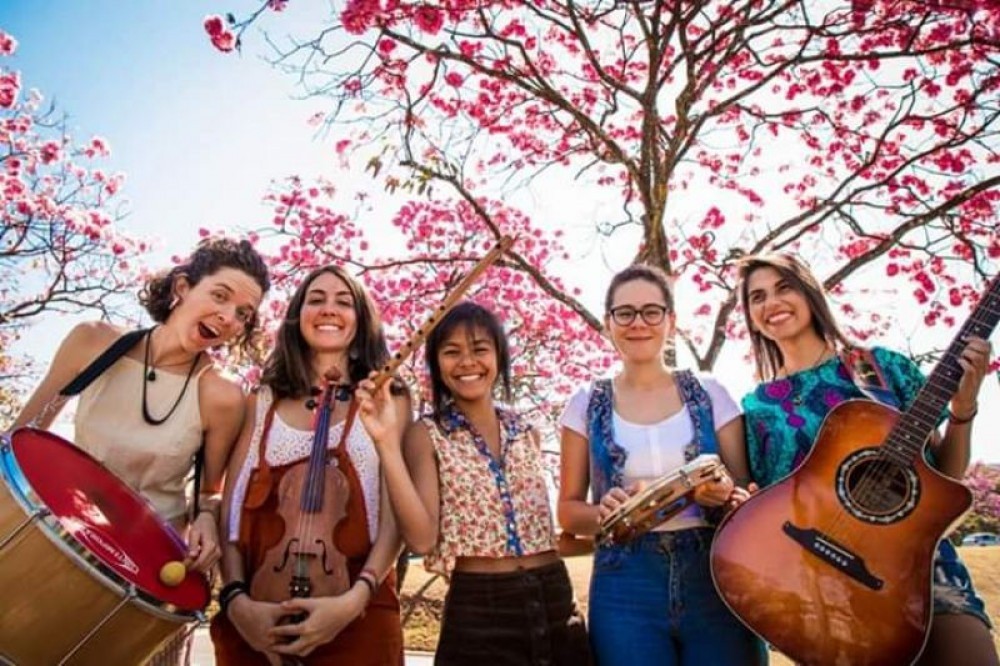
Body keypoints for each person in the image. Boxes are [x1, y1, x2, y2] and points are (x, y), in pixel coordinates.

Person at [12, 236, 271, 665]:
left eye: (242, 314)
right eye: (220, 296)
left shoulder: (222, 398)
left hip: (149, 576)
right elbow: (25, 435)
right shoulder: (92, 342)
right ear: (183, 287)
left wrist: (206, 521)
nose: (228, 317)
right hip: (64, 547)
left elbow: (210, 493)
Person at [737, 252, 998, 666]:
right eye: (757, 297)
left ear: (810, 293)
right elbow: (768, 508)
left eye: (784, 287)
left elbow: (944, 477)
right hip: (831, 585)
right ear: (750, 317)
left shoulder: (881, 368)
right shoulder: (757, 407)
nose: (772, 303)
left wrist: (964, 410)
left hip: (922, 568)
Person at [358, 300, 591, 666]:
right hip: (479, 612)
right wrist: (386, 443)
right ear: (436, 364)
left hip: (557, 601)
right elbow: (420, 539)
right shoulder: (428, 434)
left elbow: (544, 534)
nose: (467, 362)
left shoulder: (527, 432)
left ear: (499, 356)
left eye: (480, 349)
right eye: (451, 352)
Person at [557, 264, 766, 666]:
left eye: (652, 311)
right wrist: (602, 513)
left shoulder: (712, 393)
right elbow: (567, 510)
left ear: (671, 321)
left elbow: (747, 497)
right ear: (608, 323)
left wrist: (723, 495)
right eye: (625, 312)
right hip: (625, 583)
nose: (639, 323)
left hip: (715, 577)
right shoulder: (585, 402)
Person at [211, 264, 410, 665]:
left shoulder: (390, 398)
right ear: (296, 316)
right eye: (315, 300)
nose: (328, 310)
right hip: (258, 616)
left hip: (359, 615)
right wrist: (237, 602)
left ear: (361, 319)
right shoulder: (261, 401)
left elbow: (394, 519)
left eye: (343, 301)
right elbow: (231, 513)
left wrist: (353, 602)